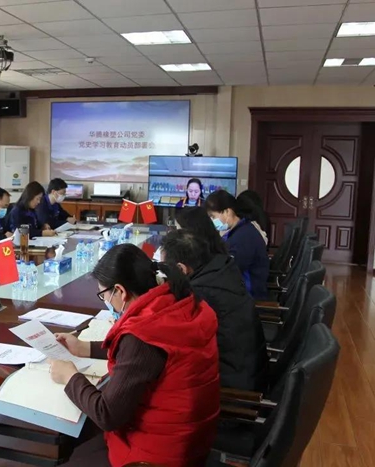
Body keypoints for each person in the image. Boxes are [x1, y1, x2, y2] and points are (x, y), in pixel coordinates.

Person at [50, 244, 219, 467]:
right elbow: (144, 357)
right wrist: (84, 348)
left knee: (76, 450)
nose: (106, 302)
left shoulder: (144, 333)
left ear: (120, 291)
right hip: (190, 438)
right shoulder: (176, 301)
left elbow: (107, 415)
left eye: (104, 295)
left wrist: (70, 377)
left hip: (156, 456)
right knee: (81, 449)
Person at [162, 229, 268, 391]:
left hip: (233, 387)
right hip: (250, 370)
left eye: (166, 271)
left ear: (181, 269)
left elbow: (177, 343)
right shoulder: (221, 270)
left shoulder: (200, 294)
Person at [206, 190, 270, 299]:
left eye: (213, 216)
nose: (212, 221)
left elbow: (230, 270)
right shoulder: (240, 231)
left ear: (227, 212)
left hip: (248, 297)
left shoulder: (244, 237)